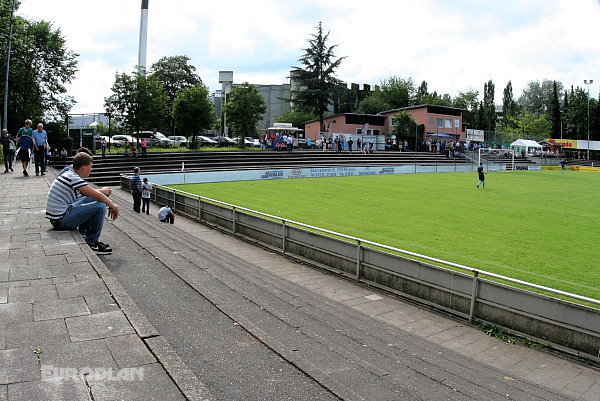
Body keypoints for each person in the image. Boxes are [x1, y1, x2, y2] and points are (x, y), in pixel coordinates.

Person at [46, 152, 119, 254]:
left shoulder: (70, 173)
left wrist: (106, 199)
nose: (91, 169)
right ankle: (92, 242)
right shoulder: (73, 177)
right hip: (61, 219)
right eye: (90, 167)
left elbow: (91, 194)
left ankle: (86, 235)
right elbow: (98, 196)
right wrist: (112, 205)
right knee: (101, 206)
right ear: (83, 168)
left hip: (59, 216)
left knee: (95, 200)